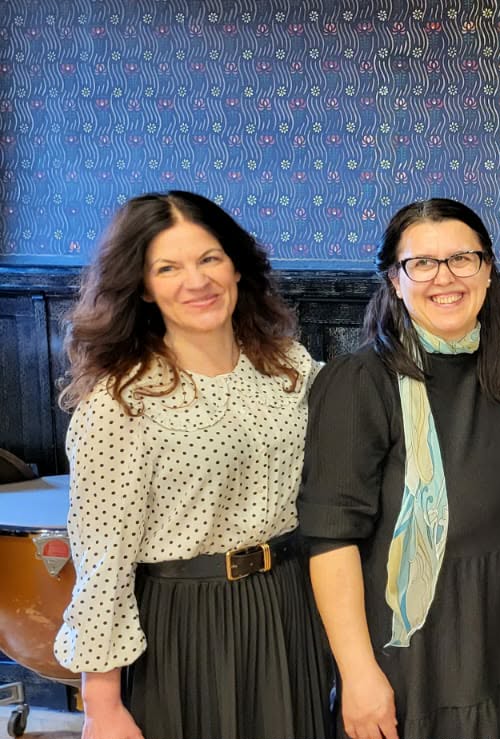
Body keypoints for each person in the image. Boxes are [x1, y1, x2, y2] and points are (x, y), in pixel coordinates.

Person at [297, 199, 500, 738]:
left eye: (462, 259)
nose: (444, 277)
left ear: (488, 270)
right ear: (394, 279)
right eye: (421, 263)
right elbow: (331, 541)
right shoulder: (360, 382)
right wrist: (357, 675)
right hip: (430, 664)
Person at [54, 191, 332, 739]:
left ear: (236, 266)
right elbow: (103, 561)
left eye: (209, 259)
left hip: (288, 605)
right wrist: (101, 705)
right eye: (168, 268)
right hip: (185, 622)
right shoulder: (122, 402)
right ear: (143, 286)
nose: (197, 281)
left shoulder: (288, 367)